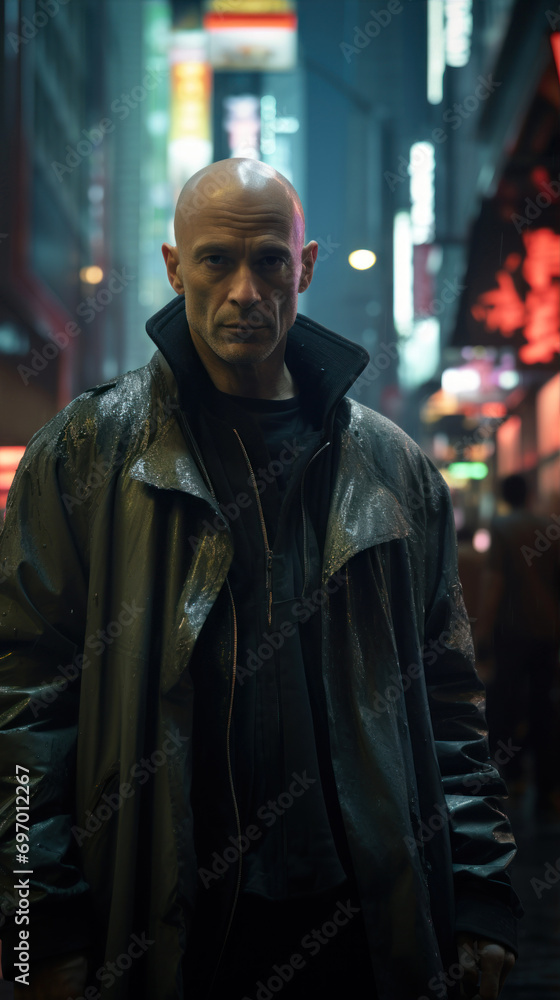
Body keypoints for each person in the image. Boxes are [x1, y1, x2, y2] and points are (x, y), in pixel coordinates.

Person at [0, 158, 521, 999]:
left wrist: (483, 897)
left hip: (358, 927)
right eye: (215, 260)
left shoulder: (392, 469)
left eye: (269, 261)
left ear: (304, 266)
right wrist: (34, 928)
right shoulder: (86, 454)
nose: (245, 290)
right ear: (175, 268)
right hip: (162, 930)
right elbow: (24, 704)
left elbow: (448, 699)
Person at [475, 473, 560, 816]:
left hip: (511, 632)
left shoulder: (501, 527)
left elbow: (494, 581)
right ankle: (547, 786)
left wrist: (482, 631)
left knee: (503, 704)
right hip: (547, 631)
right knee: (544, 705)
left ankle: (510, 776)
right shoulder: (549, 528)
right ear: (529, 494)